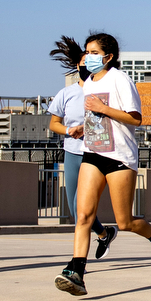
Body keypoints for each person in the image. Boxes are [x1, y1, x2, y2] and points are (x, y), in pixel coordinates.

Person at [54, 33, 151, 296]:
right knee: (83, 215)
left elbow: (135, 118)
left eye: (94, 52)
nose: (89, 57)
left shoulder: (119, 79)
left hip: (119, 157)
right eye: (87, 51)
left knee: (125, 222)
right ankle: (76, 272)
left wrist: (102, 108)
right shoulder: (88, 83)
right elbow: (96, 117)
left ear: (108, 56)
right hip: (92, 153)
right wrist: (81, 129)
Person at [48, 36, 118, 259]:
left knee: (82, 209)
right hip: (72, 152)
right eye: (83, 64)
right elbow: (53, 124)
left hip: (95, 153)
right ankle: (104, 233)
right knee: (73, 208)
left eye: (90, 62)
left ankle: (79, 263)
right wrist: (70, 130)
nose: (86, 67)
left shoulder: (104, 89)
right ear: (77, 67)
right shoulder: (66, 94)